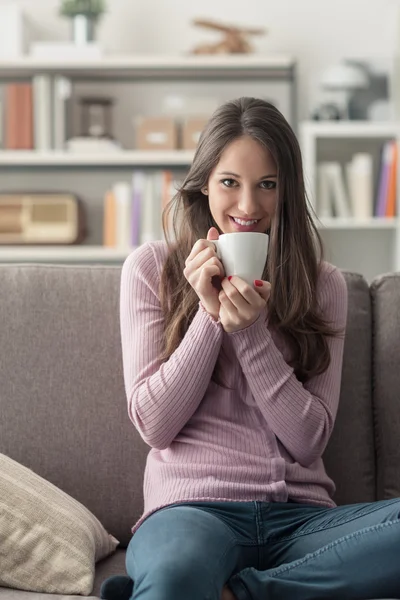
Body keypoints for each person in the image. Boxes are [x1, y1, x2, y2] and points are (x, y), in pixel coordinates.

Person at [101, 97, 400, 600]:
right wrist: (210, 315)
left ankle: (244, 594)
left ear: (287, 191)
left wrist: (250, 332)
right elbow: (154, 424)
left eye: (267, 185)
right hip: (191, 511)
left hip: (302, 522)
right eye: (230, 183)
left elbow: (308, 441)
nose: (248, 206)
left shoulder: (321, 284)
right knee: (176, 575)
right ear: (203, 184)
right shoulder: (151, 269)